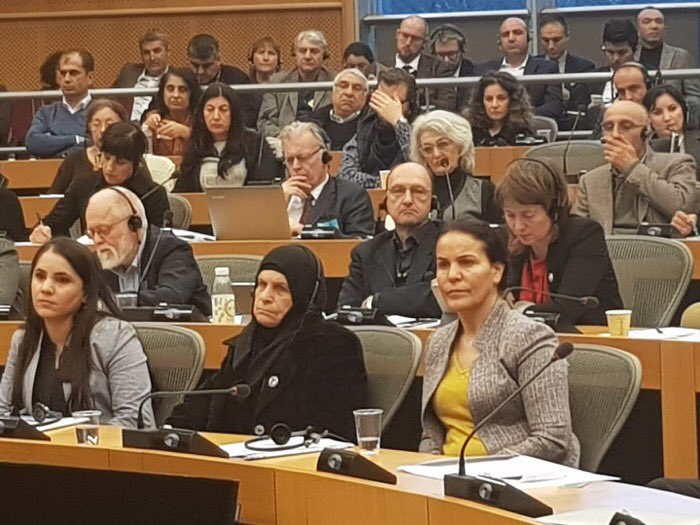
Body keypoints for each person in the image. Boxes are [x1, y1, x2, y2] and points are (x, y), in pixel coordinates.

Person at [166, 244, 367, 440]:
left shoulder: (333, 345)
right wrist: (169, 431)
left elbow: (334, 430)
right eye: (261, 285)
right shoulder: (245, 344)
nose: (265, 297)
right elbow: (202, 404)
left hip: (295, 459)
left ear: (305, 296)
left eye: (280, 288)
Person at [420, 218, 579, 465]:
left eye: (467, 262)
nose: (452, 275)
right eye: (443, 265)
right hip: (444, 475)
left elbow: (552, 439)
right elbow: (431, 433)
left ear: (497, 271)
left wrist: (478, 469)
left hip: (512, 478)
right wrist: (428, 465)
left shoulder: (529, 336)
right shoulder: (438, 341)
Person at [0, 237, 154, 428]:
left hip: (96, 445)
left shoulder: (115, 337)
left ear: (86, 293)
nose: (46, 288)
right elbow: (3, 411)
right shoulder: (23, 339)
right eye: (39, 276)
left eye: (62, 280)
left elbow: (135, 421)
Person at [495, 157, 623, 330]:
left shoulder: (584, 235)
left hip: (587, 339)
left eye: (528, 215)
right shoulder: (504, 240)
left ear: (554, 209)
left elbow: (566, 310)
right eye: (510, 215)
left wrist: (520, 310)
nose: (518, 226)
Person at [30, 122, 170, 241]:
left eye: (120, 162)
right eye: (106, 158)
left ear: (136, 164)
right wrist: (44, 231)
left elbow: (160, 241)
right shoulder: (83, 185)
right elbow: (54, 224)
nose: (109, 168)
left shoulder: (154, 194)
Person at [85, 187, 211, 318]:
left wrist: (120, 301)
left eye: (104, 230)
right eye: (91, 233)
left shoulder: (172, 250)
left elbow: (172, 297)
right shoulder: (97, 261)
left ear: (134, 225)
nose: (97, 240)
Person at [574, 100, 696, 234]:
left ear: (646, 132)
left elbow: (682, 207)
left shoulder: (677, 164)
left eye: (626, 127)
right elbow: (578, 234)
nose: (615, 134)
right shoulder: (590, 181)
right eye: (608, 127)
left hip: (655, 246)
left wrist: (632, 168)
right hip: (606, 246)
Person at [338, 162, 441, 318]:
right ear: (386, 200)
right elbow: (347, 310)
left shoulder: (449, 243)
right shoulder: (365, 253)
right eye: (398, 191)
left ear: (432, 201)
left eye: (418, 191)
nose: (407, 200)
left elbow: (443, 295)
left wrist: (377, 301)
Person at [174, 82, 282, 192]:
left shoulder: (256, 144)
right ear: (202, 114)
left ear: (233, 113)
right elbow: (183, 192)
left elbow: (266, 189)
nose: (216, 117)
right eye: (210, 110)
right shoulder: (197, 146)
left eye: (223, 110)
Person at [281, 121, 374, 238]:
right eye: (290, 160)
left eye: (303, 158)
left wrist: (305, 232)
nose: (295, 166)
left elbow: (360, 241)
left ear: (324, 157)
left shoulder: (352, 196)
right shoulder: (278, 196)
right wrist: (277, 204)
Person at [410, 110, 501, 223]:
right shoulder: (411, 192)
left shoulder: (484, 191)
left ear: (460, 146)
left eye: (443, 144)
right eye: (427, 149)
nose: (436, 154)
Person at [337, 67, 417, 189]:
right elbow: (346, 175)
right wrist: (386, 183)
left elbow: (419, 165)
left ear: (409, 103)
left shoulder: (421, 127)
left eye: (393, 102)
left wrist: (399, 122)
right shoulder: (367, 125)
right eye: (381, 99)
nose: (386, 107)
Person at [477, 17, 564, 123]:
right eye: (505, 34)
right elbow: (474, 105)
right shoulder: (483, 70)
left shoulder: (547, 68)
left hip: (530, 126)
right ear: (499, 42)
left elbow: (554, 106)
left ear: (528, 38)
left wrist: (518, 117)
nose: (511, 38)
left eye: (517, 33)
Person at [258, 30, 334, 138]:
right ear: (295, 54)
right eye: (302, 51)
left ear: (324, 55)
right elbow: (264, 122)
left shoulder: (335, 82)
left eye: (314, 51)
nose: (307, 56)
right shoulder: (277, 82)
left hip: (322, 141)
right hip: (283, 141)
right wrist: (286, 137)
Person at [635, 7, 700, 126]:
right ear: (638, 29)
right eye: (647, 22)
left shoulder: (681, 56)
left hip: (670, 120)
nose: (654, 26)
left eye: (659, 21)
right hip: (637, 119)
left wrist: (677, 110)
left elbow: (694, 96)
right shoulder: (630, 56)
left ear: (665, 28)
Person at [48, 98, 128, 194]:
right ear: (89, 127)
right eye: (96, 124)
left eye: (109, 124)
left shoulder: (131, 159)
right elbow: (54, 197)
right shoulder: (73, 160)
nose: (102, 130)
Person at [26, 50, 95, 158]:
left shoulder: (102, 111)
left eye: (74, 73)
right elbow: (33, 143)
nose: (67, 79)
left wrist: (53, 141)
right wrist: (76, 139)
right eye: (63, 73)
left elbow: (104, 144)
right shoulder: (46, 112)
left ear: (90, 78)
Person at [536, 13, 595, 129]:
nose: (551, 46)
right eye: (545, 40)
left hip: (574, 127)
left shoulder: (585, 68)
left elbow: (584, 105)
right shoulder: (533, 67)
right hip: (541, 125)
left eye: (556, 40)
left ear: (567, 36)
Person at [186, 34, 258, 128]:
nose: (200, 72)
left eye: (207, 66)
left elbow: (249, 116)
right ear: (187, 61)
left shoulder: (238, 79)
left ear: (219, 60)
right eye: (195, 65)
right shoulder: (182, 80)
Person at [385, 16, 454, 111]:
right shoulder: (380, 68)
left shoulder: (440, 68)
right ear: (397, 35)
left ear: (424, 42)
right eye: (405, 36)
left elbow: (448, 106)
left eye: (415, 39)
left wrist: (418, 99)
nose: (408, 43)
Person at [301, 69, 368, 150]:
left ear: (365, 96)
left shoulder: (371, 126)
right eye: (343, 86)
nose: (349, 93)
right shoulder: (311, 123)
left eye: (357, 88)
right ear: (333, 92)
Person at [111, 30, 170, 122]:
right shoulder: (129, 72)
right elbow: (110, 97)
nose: (152, 57)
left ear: (168, 52)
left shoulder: (175, 77)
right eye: (147, 53)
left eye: (157, 51)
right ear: (141, 55)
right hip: (126, 126)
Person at [141, 67, 201, 156]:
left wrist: (187, 133)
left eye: (182, 90)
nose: (175, 95)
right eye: (170, 89)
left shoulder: (202, 119)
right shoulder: (154, 119)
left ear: (192, 93)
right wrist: (146, 129)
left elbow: (209, 149)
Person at [465, 71, 536, 146]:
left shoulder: (524, 132)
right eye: (489, 99)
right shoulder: (469, 132)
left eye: (501, 98)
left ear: (513, 100)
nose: (494, 105)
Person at [644, 84, 700, 168]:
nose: (667, 118)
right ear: (648, 118)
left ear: (683, 109)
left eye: (672, 109)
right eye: (657, 113)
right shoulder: (643, 147)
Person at [429, 24, 476, 113]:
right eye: (440, 55)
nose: (446, 60)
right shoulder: (426, 74)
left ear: (462, 51)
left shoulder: (475, 73)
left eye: (451, 54)